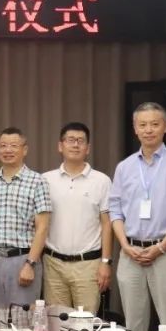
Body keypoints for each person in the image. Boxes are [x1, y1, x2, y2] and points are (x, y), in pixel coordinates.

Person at [109, 102, 166, 331]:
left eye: (155, 124)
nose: (148, 130)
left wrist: (161, 247)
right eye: (143, 125)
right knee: (133, 326)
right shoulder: (124, 167)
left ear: (165, 127)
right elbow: (115, 210)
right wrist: (125, 246)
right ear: (135, 128)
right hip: (130, 253)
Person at [41, 122, 112, 314]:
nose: (75, 145)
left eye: (81, 141)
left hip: (88, 265)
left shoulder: (102, 181)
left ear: (87, 148)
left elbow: (107, 224)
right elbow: (38, 224)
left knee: (85, 323)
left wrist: (106, 262)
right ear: (60, 146)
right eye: (70, 140)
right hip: (53, 264)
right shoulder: (45, 180)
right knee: (56, 322)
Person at [0, 127, 51, 307]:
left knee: (22, 318)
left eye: (13, 145)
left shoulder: (37, 181)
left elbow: (42, 227)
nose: (8, 150)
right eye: (3, 145)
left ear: (24, 150)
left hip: (22, 258)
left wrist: (30, 263)